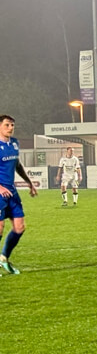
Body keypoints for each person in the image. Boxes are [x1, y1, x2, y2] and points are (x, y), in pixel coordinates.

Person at [0, 115, 38, 275]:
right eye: (7, 125)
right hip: (0, 193)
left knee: (19, 227)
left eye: (12, 125)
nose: (11, 128)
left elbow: (17, 165)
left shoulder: (15, 143)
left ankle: (3, 258)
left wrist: (29, 182)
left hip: (12, 193)